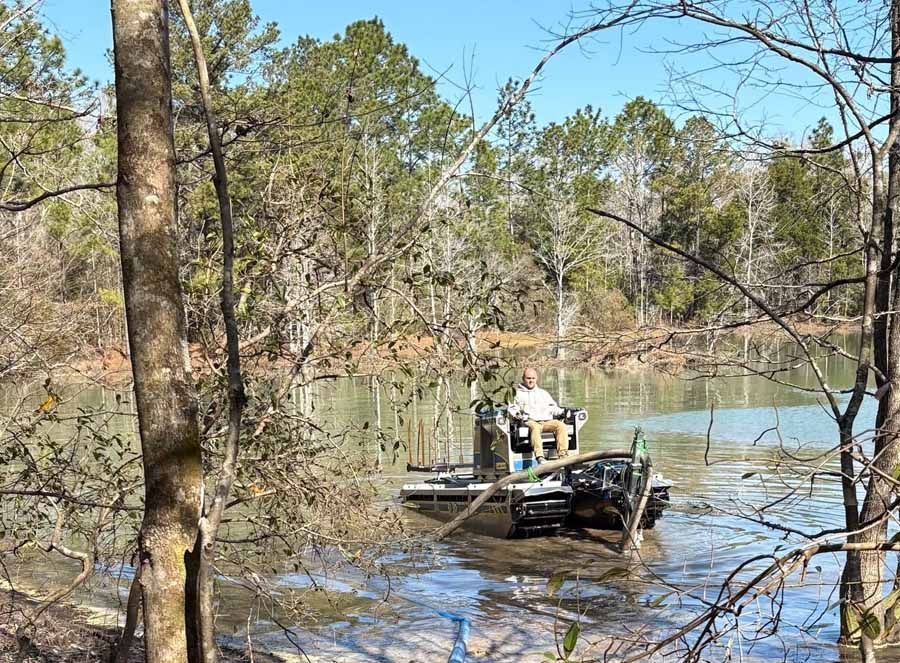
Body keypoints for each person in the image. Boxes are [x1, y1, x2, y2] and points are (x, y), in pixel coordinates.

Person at [507, 367, 569, 464]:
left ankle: (563, 455)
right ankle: (540, 457)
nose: (531, 380)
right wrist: (517, 415)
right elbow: (512, 409)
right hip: (529, 421)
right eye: (528, 378)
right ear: (523, 379)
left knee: (560, 425)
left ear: (536, 379)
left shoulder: (543, 393)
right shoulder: (516, 394)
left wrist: (562, 412)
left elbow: (553, 408)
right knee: (535, 428)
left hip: (546, 421)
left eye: (533, 378)